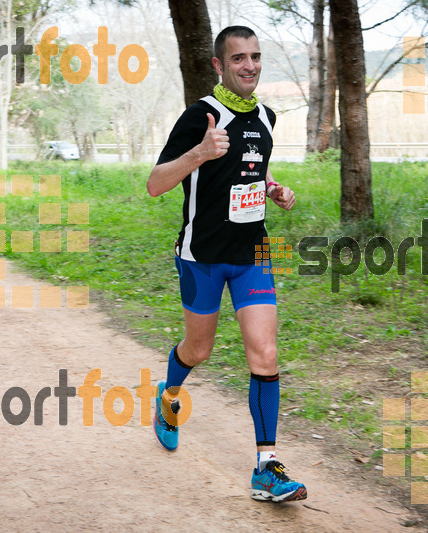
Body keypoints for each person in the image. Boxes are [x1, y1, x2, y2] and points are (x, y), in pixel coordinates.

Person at [146, 26, 306, 503]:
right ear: (219, 65)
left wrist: (274, 189)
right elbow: (155, 183)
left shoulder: (267, 116)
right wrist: (199, 152)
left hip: (252, 253)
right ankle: (170, 395)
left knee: (266, 353)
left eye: (256, 57)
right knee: (199, 351)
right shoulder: (200, 117)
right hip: (202, 257)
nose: (250, 66)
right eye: (239, 58)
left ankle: (266, 468)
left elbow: (255, 167)